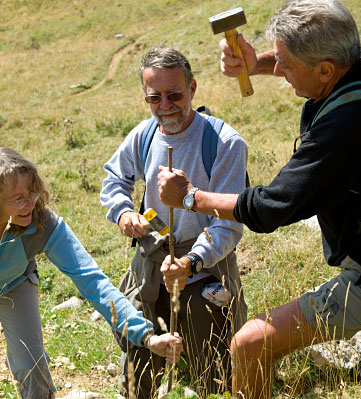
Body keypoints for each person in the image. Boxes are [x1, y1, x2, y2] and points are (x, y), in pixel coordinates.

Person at [157, 1, 361, 398]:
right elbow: (312, 63)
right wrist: (255, 62)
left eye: (284, 63)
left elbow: (269, 207)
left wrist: (190, 197)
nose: (279, 71)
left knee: (249, 345)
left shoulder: (343, 131)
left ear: (325, 70)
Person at [0, 145, 182, 399]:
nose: (30, 203)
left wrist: (145, 336)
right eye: (17, 198)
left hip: (13, 283)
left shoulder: (42, 223)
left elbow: (91, 279)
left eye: (33, 192)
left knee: (31, 363)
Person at [100, 46, 249, 398]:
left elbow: (229, 223)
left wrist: (190, 262)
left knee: (214, 371)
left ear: (193, 89)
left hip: (204, 266)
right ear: (145, 96)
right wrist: (123, 213)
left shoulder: (224, 143)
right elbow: (113, 180)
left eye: (174, 94)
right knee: (138, 349)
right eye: (154, 97)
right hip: (152, 260)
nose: (164, 105)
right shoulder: (144, 135)